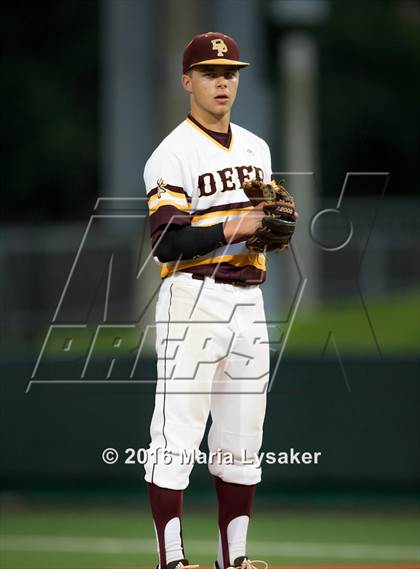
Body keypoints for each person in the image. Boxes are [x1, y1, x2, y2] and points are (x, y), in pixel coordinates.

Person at [143, 32, 274, 569]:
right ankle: (171, 561)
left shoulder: (257, 148)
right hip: (192, 298)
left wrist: (269, 230)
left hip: (248, 302)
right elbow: (166, 240)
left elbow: (263, 227)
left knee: (243, 442)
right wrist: (232, 227)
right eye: (209, 73)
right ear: (187, 81)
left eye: (231, 73)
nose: (223, 81)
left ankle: (234, 559)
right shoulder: (171, 153)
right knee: (176, 439)